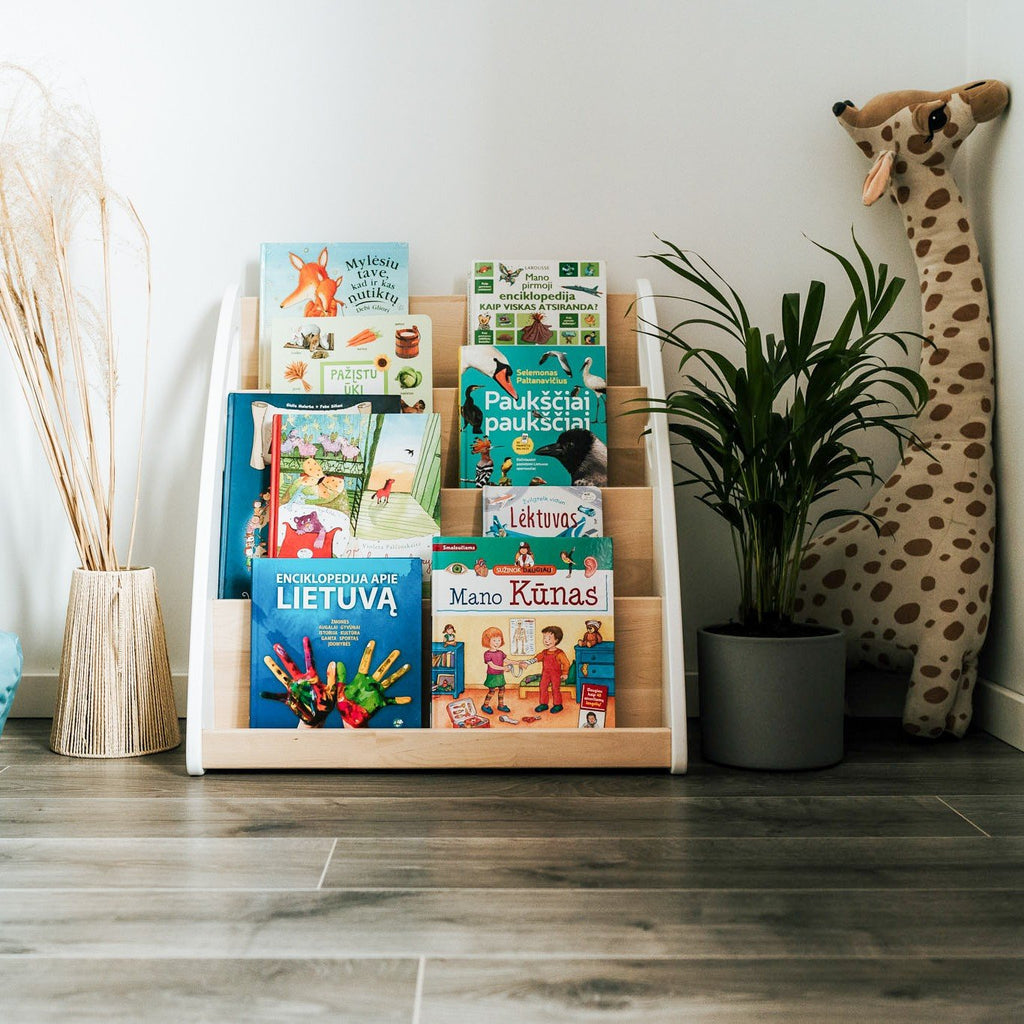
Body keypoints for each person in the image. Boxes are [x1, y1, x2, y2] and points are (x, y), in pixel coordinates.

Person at [522, 625, 570, 714]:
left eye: (549, 638)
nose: (546, 641)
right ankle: (544, 704)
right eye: (544, 638)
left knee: (555, 689)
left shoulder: (559, 653)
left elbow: (566, 663)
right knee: (543, 687)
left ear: (556, 640)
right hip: (545, 674)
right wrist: (527, 663)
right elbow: (536, 659)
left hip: (556, 675)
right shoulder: (544, 652)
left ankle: (558, 705)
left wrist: (565, 673)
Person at [479, 626, 511, 715]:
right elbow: (492, 666)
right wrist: (504, 668)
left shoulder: (500, 653)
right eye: (494, 640)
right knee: (492, 691)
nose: (497, 642)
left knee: (502, 689)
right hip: (492, 675)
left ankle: (501, 705)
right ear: (487, 641)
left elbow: (507, 661)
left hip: (500, 675)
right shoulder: (487, 654)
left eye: (499, 640)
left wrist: (518, 663)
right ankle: (485, 706)